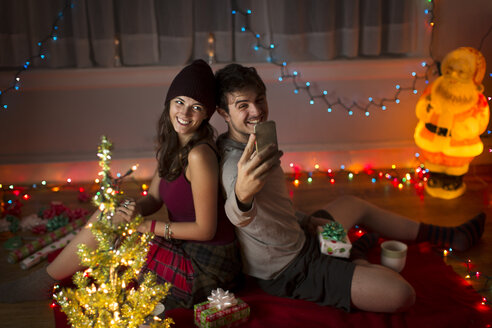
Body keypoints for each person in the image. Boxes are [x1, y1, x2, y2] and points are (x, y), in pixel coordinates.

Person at [214, 63, 486, 313]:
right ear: (223, 113)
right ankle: (355, 256)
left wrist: (309, 221)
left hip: (302, 236)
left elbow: (275, 207)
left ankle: (450, 236)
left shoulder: (258, 141)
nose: (257, 110)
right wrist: (242, 196)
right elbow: (237, 212)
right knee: (403, 294)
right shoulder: (234, 165)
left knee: (353, 204)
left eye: (259, 100)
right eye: (243, 105)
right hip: (290, 269)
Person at [0, 59, 242, 310]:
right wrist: (128, 210)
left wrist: (144, 226)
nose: (184, 113)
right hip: (184, 244)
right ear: (169, 102)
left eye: (197, 107)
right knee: (110, 216)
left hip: (208, 264)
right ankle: (45, 281)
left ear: (206, 114)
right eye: (179, 102)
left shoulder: (199, 155)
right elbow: (154, 199)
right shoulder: (171, 144)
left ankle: (43, 283)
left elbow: (206, 231)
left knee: (118, 236)